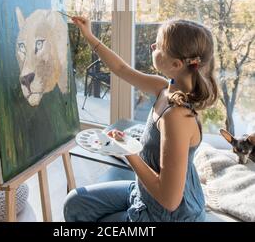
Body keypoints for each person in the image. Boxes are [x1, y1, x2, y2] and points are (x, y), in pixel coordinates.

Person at [64, 17, 218, 222]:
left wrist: (127, 150)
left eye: (159, 45)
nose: (153, 46)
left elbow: (169, 200)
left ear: (176, 64)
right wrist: (89, 36)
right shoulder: (164, 88)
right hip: (145, 193)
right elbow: (121, 70)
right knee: (75, 203)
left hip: (166, 215)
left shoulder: (177, 117)